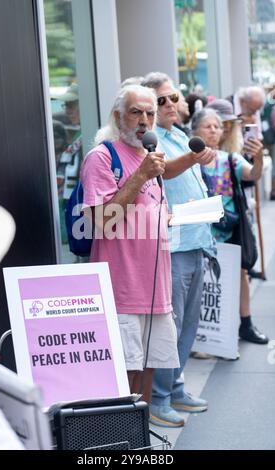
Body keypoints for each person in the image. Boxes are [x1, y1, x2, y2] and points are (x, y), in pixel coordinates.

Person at [80, 85, 179, 403]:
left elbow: (147, 208)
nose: (145, 121)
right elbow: (102, 220)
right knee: (124, 374)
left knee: (149, 368)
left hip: (156, 289)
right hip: (121, 289)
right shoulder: (101, 157)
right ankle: (122, 444)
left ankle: (142, 441)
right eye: (136, 112)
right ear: (118, 116)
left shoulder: (150, 156)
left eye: (150, 113)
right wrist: (139, 176)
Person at [142, 72, 217, 427]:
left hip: (196, 239)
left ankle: (174, 388)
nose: (170, 104)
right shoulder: (151, 140)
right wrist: (194, 155)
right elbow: (166, 172)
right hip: (172, 246)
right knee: (168, 327)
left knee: (189, 324)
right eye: (161, 100)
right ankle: (157, 398)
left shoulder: (180, 136)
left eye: (173, 97)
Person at [191, 107, 268, 345]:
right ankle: (204, 335)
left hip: (230, 228)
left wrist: (257, 158)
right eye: (208, 126)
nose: (214, 130)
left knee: (241, 274)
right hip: (200, 231)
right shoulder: (187, 162)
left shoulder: (230, 159)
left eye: (217, 126)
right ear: (195, 131)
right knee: (202, 281)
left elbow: (253, 175)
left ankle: (245, 324)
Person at [52, 83, 83, 244]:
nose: (67, 110)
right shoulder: (78, 133)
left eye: (71, 104)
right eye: (66, 105)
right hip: (70, 204)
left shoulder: (92, 131)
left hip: (83, 208)